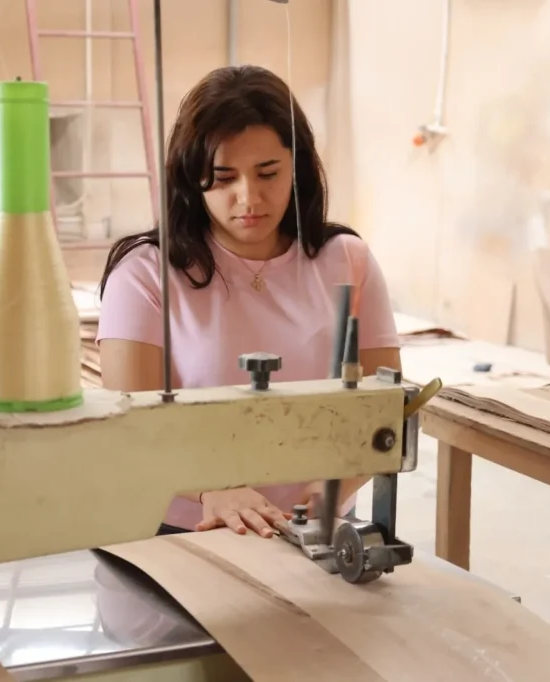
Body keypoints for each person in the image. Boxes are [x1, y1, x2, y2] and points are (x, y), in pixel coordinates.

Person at [95, 64, 401, 539]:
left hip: (319, 530)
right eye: (223, 178)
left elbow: (385, 409)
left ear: (298, 167)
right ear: (192, 178)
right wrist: (210, 489)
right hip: (184, 530)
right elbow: (130, 426)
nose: (249, 198)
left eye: (268, 173)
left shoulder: (347, 260)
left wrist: (337, 485)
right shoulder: (145, 274)